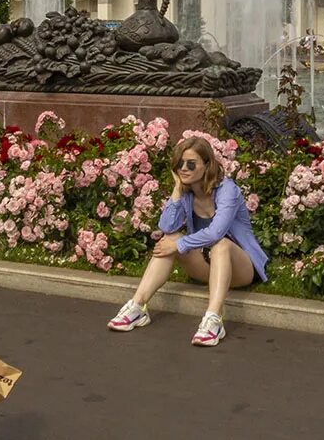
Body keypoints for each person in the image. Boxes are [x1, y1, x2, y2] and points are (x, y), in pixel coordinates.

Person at [107, 136, 269, 347]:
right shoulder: (187, 192)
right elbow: (166, 227)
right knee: (170, 238)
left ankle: (214, 319)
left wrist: (180, 245)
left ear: (207, 165)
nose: (184, 168)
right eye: (180, 164)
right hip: (208, 265)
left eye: (191, 164)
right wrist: (176, 191)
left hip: (242, 268)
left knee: (220, 244)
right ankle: (137, 307)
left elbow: (215, 233)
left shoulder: (227, 190)